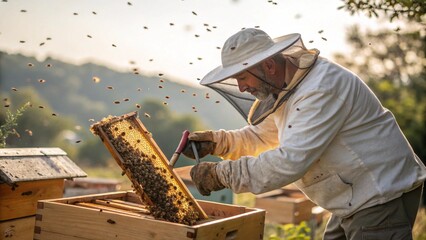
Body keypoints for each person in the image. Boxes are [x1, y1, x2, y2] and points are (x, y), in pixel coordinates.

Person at [182, 28, 426, 239]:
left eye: (243, 77)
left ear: (268, 65)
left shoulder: (321, 89)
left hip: (379, 194)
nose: (241, 87)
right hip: (352, 195)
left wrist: (220, 174)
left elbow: (289, 162)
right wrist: (217, 143)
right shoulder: (286, 87)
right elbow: (264, 137)